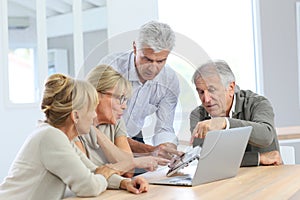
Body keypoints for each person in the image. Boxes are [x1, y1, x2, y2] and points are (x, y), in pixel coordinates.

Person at [0, 74, 148, 200]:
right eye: (91, 110)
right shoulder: (50, 137)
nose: (94, 115)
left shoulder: (61, 137)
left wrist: (124, 182)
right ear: (76, 116)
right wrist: (103, 175)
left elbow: (92, 171)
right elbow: (88, 187)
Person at [100, 21, 181, 159]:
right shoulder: (111, 67)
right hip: (104, 138)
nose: (152, 68)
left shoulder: (169, 80)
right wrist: (151, 150)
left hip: (134, 137)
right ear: (135, 47)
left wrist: (168, 148)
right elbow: (103, 128)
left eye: (160, 61)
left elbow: (164, 127)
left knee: (150, 175)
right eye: (147, 59)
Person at [74, 65, 170, 177]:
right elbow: (88, 177)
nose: (124, 106)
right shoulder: (74, 126)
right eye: (120, 98)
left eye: (125, 100)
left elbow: (129, 171)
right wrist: (124, 166)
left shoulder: (116, 121)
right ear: (96, 94)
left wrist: (97, 133)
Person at [189, 60, 282, 166]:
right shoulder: (198, 115)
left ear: (231, 88)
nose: (206, 99)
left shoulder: (257, 103)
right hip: (224, 179)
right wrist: (258, 158)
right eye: (201, 92)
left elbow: (266, 136)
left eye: (212, 90)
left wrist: (225, 123)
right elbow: (206, 158)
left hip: (267, 177)